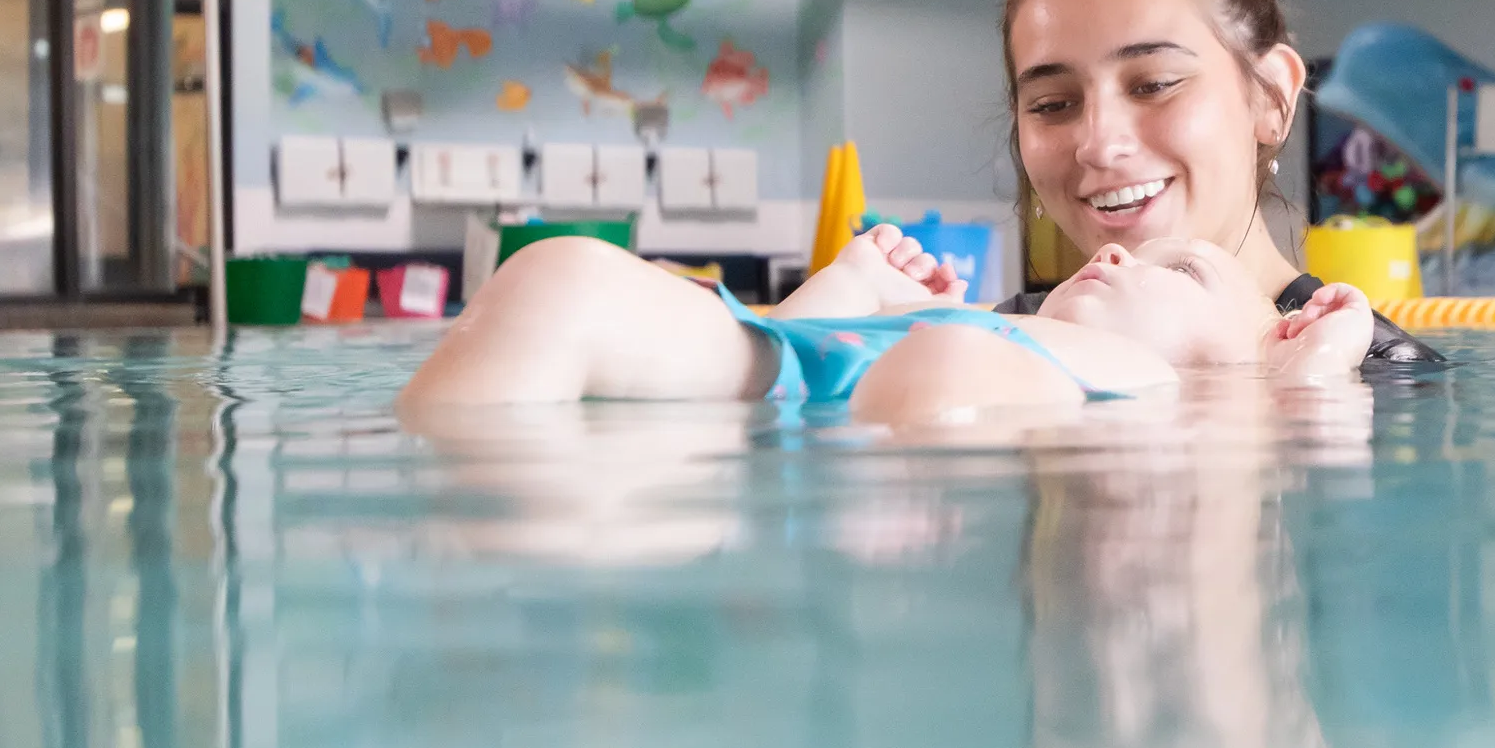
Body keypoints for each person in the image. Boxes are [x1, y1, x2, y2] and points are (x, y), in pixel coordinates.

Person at [995, 0, 1445, 379]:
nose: (1097, 143)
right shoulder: (1007, 343)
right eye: (1053, 105)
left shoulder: (1377, 379)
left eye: (1154, 85)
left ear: (1272, 96)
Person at [398, 223, 1373, 426]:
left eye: (1182, 271)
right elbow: (811, 352)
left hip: (779, 394)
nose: (1114, 252)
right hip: (777, 376)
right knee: (561, 280)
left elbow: (840, 362)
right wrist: (856, 281)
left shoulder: (1155, 376)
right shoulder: (1102, 363)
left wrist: (1316, 356)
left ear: (1271, 343)